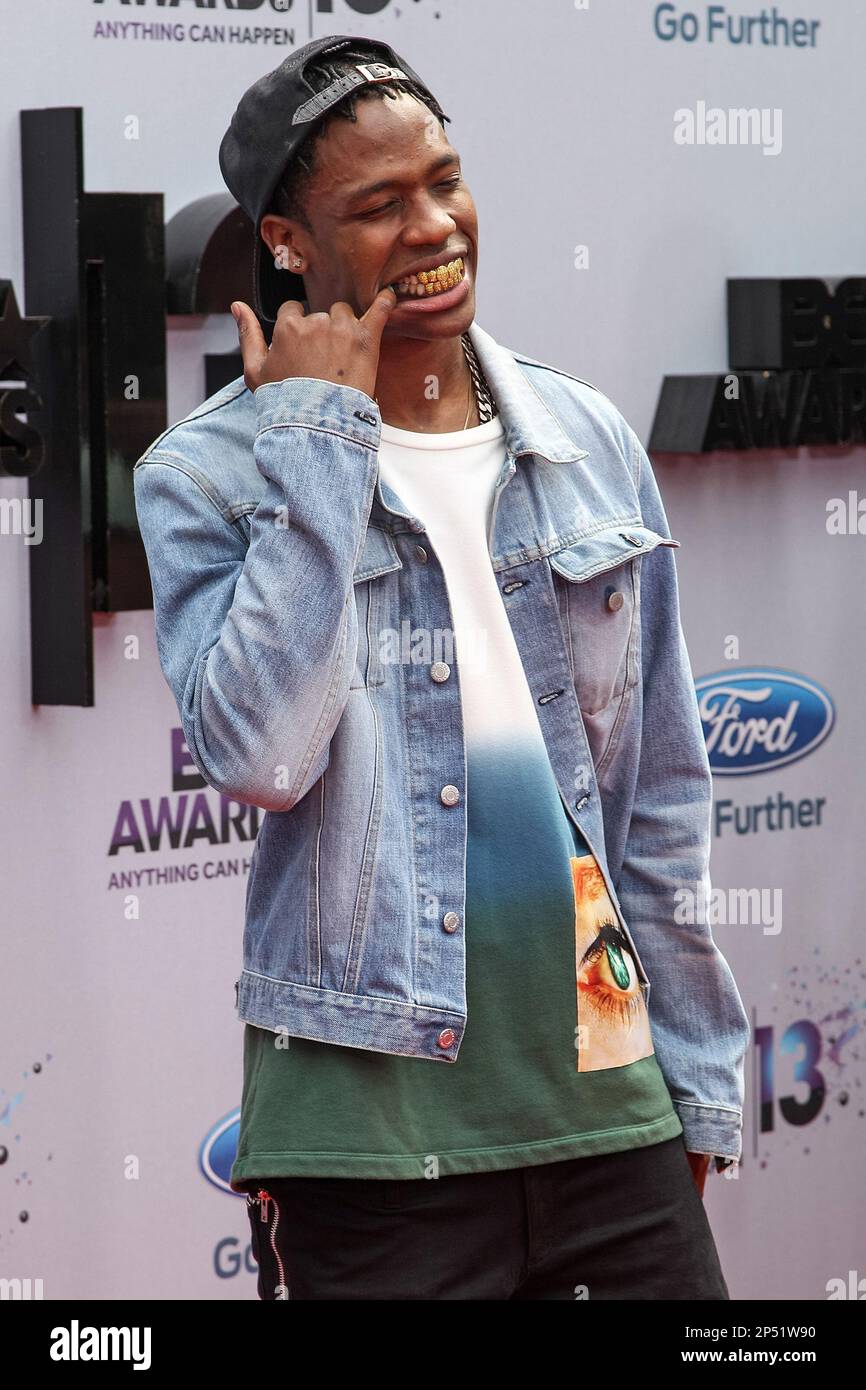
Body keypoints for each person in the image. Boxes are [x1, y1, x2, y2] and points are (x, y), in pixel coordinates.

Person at [133, 34, 751, 1301]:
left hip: (607, 1114)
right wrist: (318, 436)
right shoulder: (206, 475)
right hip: (369, 1151)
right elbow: (262, 753)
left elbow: (664, 792)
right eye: (376, 205)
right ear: (288, 243)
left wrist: (689, 1078)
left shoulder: (582, 440)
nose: (432, 225)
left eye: (443, 181)